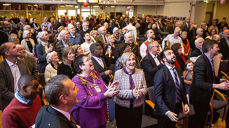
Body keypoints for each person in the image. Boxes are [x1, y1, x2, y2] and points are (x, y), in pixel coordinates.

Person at [71, 54, 119, 128]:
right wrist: (105, 95)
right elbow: (84, 101)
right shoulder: (76, 81)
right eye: (87, 60)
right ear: (81, 66)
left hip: (101, 113)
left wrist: (109, 89)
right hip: (89, 118)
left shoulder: (94, 73)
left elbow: (102, 89)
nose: (91, 61)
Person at [189, 40, 229, 128]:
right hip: (198, 96)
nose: (218, 49)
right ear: (210, 49)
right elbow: (199, 83)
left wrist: (219, 80)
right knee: (198, 119)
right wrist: (217, 86)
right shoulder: (201, 62)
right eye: (216, 47)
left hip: (205, 95)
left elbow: (210, 75)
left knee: (202, 118)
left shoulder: (209, 59)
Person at [154, 48, 189, 128]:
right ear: (164, 59)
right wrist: (167, 111)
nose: (173, 55)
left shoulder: (178, 69)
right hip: (165, 110)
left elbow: (182, 88)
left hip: (176, 106)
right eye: (169, 54)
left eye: (173, 53)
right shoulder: (160, 74)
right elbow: (158, 96)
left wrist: (185, 103)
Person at [113, 52, 147, 128]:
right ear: (124, 62)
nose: (132, 62)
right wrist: (131, 93)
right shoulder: (118, 73)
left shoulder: (141, 72)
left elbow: (145, 89)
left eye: (133, 59)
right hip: (122, 107)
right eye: (129, 60)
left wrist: (139, 92)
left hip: (137, 107)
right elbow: (116, 92)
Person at [0, 42, 30, 110]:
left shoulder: (22, 63)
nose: (17, 49)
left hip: (26, 99)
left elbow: (29, 79)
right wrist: (18, 98)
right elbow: (3, 90)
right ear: (7, 53)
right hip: (10, 102)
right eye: (14, 47)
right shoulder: (1, 68)